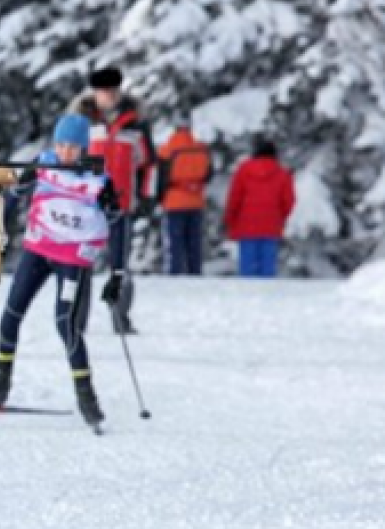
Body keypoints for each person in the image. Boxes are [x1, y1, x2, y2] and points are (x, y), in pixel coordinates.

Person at [0, 114, 121, 430]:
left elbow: (119, 224)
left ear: (83, 148)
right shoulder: (43, 164)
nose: (65, 152)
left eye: (72, 147)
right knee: (11, 314)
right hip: (38, 250)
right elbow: (12, 196)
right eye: (61, 145)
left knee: (65, 324)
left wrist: (117, 272)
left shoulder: (98, 178)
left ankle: (86, 396)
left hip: (73, 258)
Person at [71, 66, 156, 334]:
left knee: (120, 266)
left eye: (113, 90)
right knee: (80, 264)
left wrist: (147, 196)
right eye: (103, 91)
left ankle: (121, 317)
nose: (109, 95)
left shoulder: (136, 123)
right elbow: (67, 161)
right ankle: (76, 320)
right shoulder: (81, 122)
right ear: (94, 93)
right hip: (87, 206)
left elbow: (149, 164)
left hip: (122, 204)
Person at [224, 138, 295, 278]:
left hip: (246, 223)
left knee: (247, 267)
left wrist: (230, 220)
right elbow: (289, 201)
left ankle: (247, 290)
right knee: (267, 267)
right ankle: (266, 291)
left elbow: (234, 198)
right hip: (271, 224)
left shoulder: (243, 171)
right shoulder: (282, 173)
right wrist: (280, 216)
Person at [157, 122, 212, 276]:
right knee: (194, 243)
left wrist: (160, 199)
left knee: (175, 243)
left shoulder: (167, 149)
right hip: (196, 201)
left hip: (174, 201)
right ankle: (195, 273)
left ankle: (175, 274)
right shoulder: (201, 149)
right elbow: (208, 174)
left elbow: (161, 178)